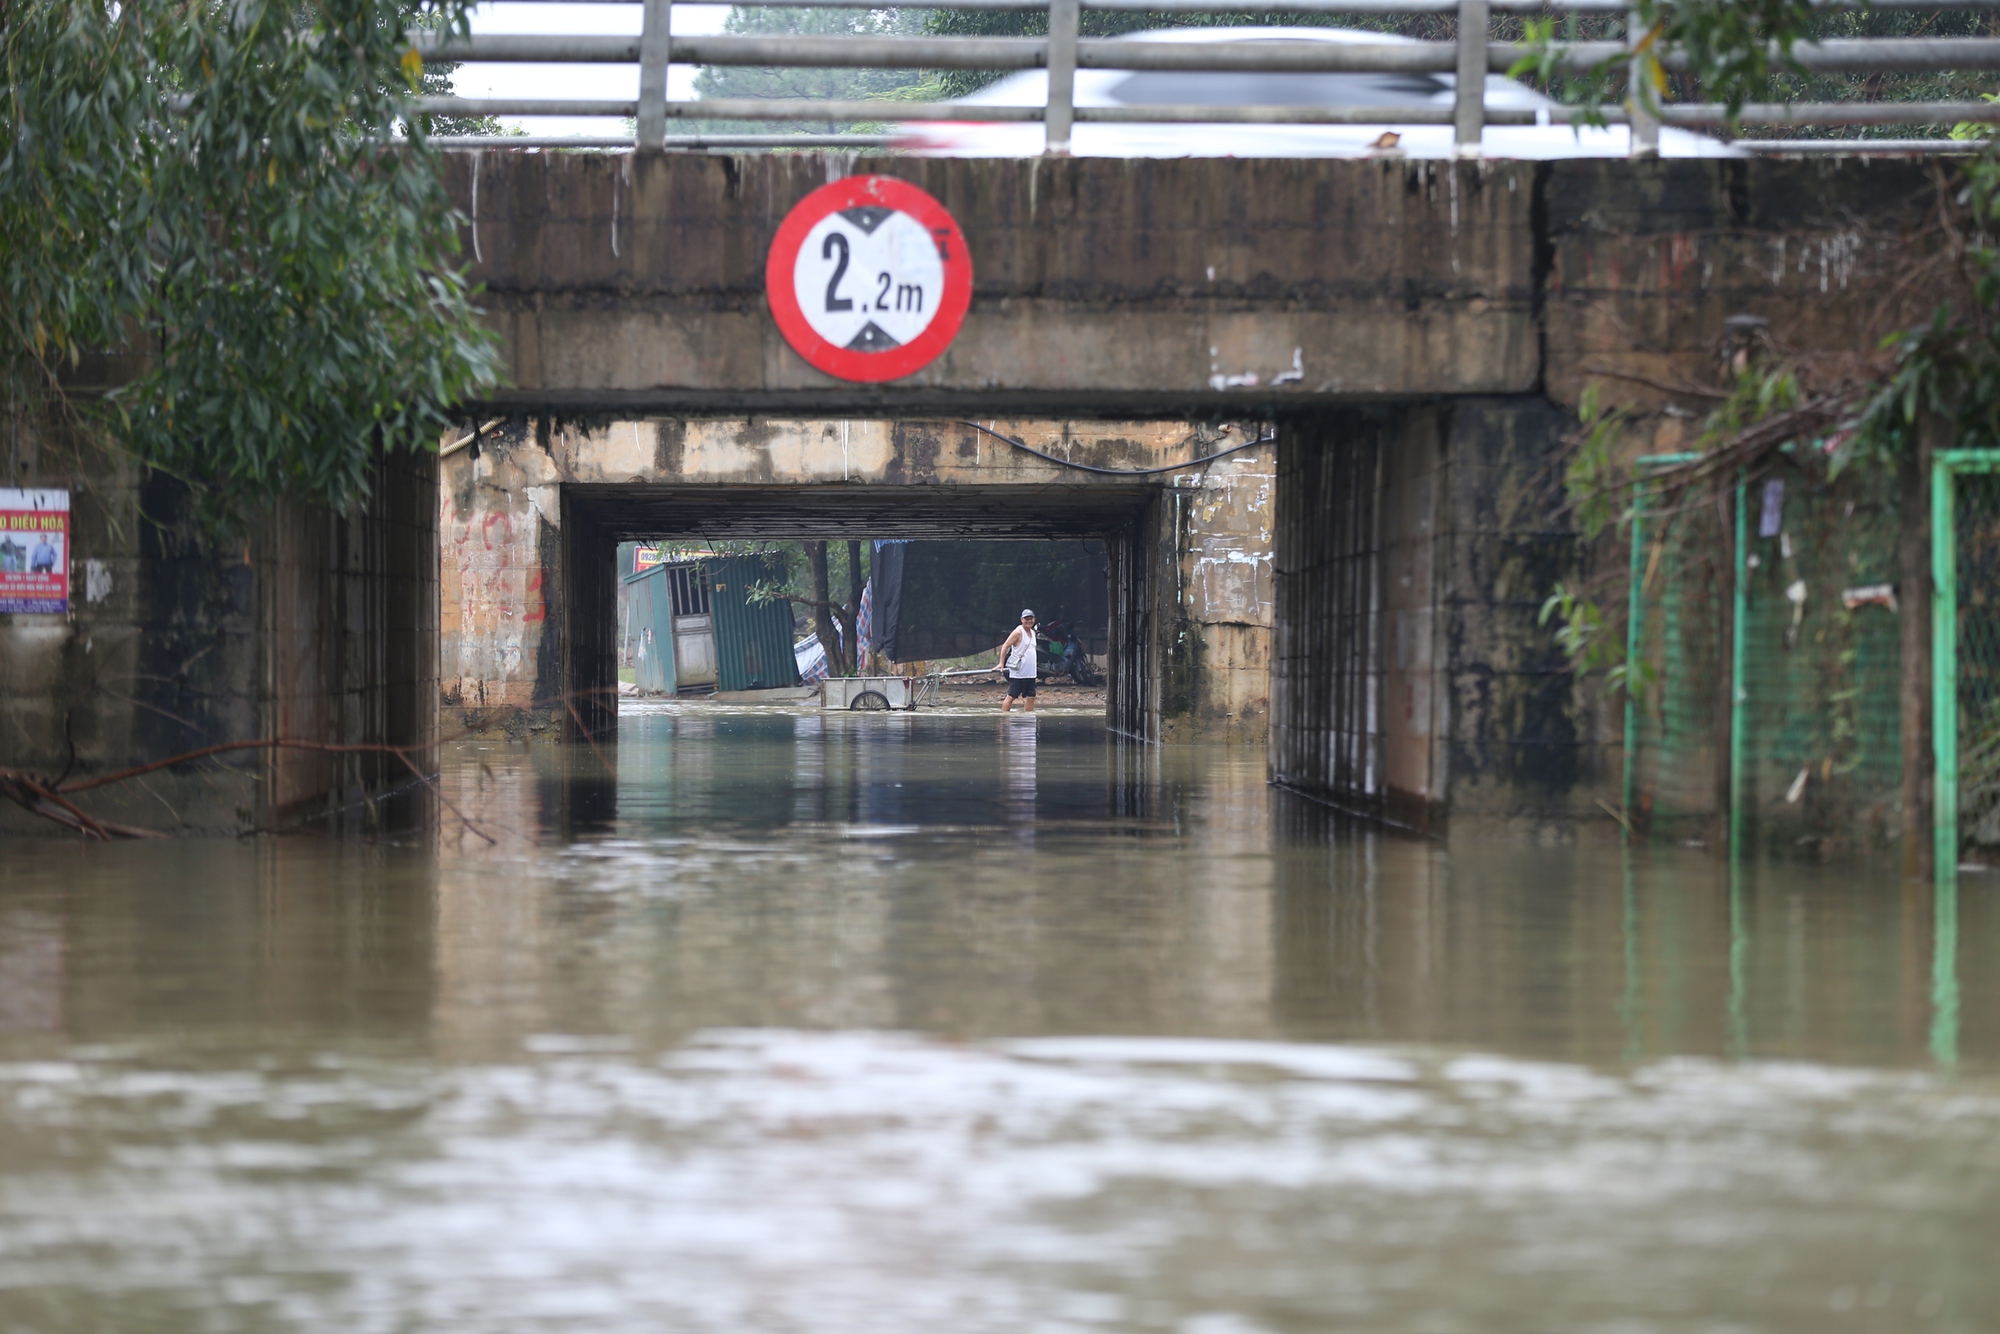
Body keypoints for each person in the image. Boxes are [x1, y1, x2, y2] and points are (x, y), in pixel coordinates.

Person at [995, 608, 1039, 714]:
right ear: (1021, 620)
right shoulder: (1018, 632)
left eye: (1031, 618)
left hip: (1031, 673)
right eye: (1026, 619)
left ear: (1034, 619)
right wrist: (1001, 663)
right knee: (1011, 696)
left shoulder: (1033, 633)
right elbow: (1005, 645)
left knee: (1031, 696)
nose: (1029, 621)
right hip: (1018, 673)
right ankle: (1004, 717)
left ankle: (1028, 717)